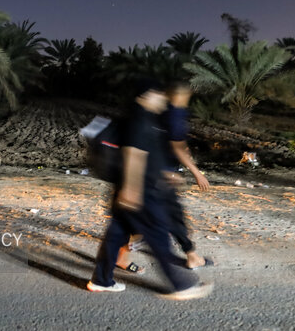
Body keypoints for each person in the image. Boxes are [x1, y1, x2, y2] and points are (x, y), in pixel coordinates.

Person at [87, 80, 213, 300]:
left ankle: (101, 280)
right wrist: (132, 190)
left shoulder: (142, 118)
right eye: (157, 94)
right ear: (144, 96)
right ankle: (182, 285)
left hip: (130, 189)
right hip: (141, 191)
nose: (162, 98)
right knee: (157, 235)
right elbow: (134, 154)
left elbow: (149, 153)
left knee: (116, 234)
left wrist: (163, 174)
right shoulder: (140, 118)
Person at [115, 81, 213, 272]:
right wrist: (196, 173)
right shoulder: (174, 114)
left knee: (136, 216)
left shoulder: (159, 113)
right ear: (181, 96)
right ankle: (189, 259)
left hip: (154, 172)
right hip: (161, 175)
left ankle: (122, 255)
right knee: (171, 215)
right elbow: (176, 147)